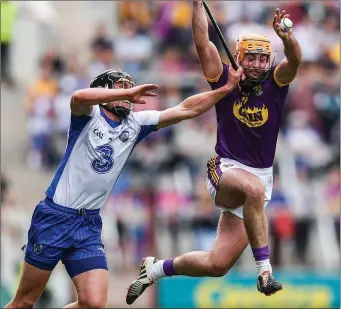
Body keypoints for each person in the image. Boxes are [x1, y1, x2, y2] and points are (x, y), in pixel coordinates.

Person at [5, 66, 243, 309]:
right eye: (121, 87)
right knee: (24, 302)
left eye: (129, 87)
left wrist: (225, 89)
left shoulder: (136, 123)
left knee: (93, 303)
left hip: (88, 225)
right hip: (55, 218)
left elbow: (186, 109)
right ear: (103, 90)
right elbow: (78, 97)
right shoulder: (88, 116)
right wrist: (122, 95)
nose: (128, 92)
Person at [126, 3, 303, 304]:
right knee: (253, 188)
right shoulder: (223, 77)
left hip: (259, 181)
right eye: (252, 58)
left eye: (263, 59)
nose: (258, 64)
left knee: (217, 264)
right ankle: (264, 271)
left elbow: (296, 60)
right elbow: (202, 42)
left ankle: (155, 269)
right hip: (224, 168)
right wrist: (197, 4)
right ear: (238, 57)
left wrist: (286, 36)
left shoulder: (276, 82)